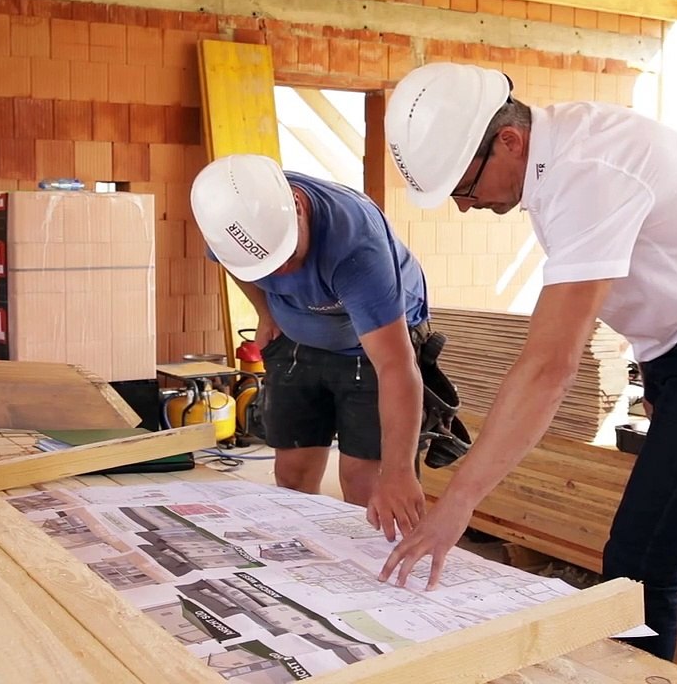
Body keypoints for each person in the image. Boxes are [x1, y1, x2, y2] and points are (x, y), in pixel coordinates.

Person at [377, 62, 677, 684]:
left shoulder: (588, 173)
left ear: (509, 141)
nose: (465, 205)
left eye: (464, 185)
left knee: (638, 567)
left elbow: (548, 367)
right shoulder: (560, 152)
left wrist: (459, 502)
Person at [190, 154, 471, 541]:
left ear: (298, 206)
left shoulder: (357, 247)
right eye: (265, 267)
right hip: (295, 339)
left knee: (365, 484)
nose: (281, 273)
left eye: (286, 255)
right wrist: (265, 312)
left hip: (370, 347)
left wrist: (399, 472)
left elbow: (395, 365)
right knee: (292, 475)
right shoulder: (226, 216)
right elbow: (233, 266)